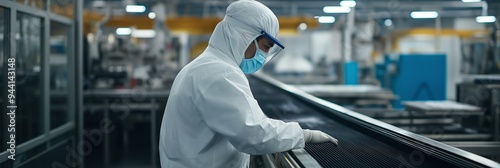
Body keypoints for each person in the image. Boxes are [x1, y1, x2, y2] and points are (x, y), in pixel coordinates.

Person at [159, 0, 338, 167]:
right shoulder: (220, 72)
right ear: (245, 36)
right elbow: (254, 135)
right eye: (265, 47)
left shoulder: (202, 65)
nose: (264, 56)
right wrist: (303, 135)